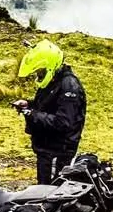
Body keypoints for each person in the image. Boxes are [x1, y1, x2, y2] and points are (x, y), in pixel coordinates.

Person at [14, 39, 87, 184]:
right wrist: (29, 104)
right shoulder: (54, 81)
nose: (38, 75)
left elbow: (63, 122)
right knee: (44, 189)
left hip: (58, 151)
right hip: (48, 148)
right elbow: (48, 106)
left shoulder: (69, 86)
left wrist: (31, 113)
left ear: (50, 66)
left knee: (50, 191)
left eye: (40, 71)